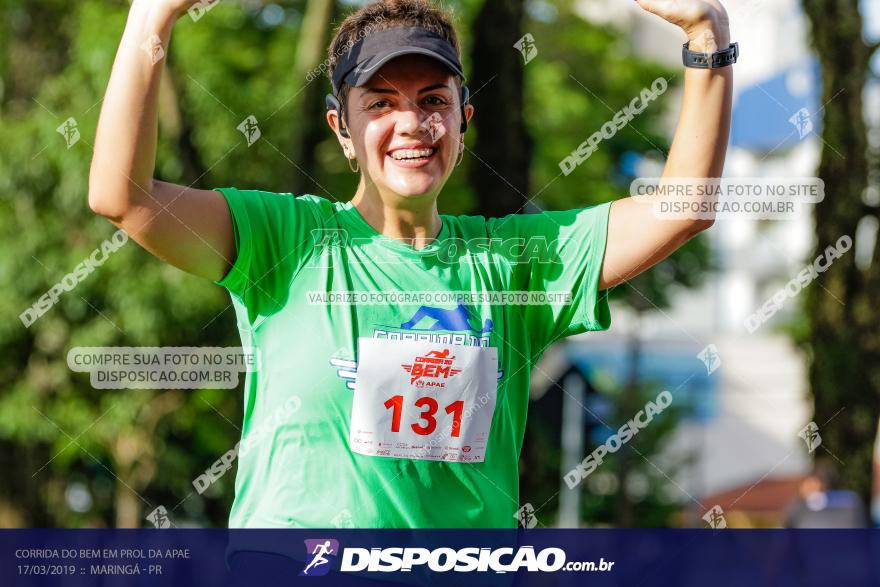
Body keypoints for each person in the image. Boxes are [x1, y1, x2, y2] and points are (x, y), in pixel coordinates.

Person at [88, 0, 733, 529]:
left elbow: (683, 209)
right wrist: (151, 18)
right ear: (342, 127)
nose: (411, 123)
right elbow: (122, 196)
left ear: (463, 119)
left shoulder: (513, 263)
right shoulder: (286, 238)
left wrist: (708, 35)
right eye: (380, 103)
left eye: (432, 100)